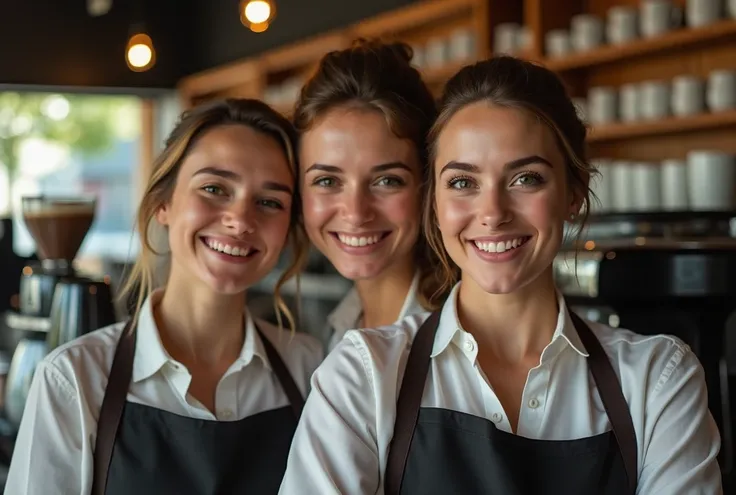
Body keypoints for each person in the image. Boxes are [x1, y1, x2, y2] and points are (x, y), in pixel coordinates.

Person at [279, 56, 723, 494]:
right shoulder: (363, 372)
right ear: (433, 200)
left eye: (526, 178)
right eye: (462, 182)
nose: (492, 213)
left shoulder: (658, 379)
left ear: (574, 192)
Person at [5, 98, 323, 495]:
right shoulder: (74, 379)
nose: (240, 220)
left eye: (269, 202)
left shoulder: (312, 370)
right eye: (214, 188)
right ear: (163, 203)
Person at [292, 39, 446, 351]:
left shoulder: (463, 337)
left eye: (387, 181)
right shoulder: (339, 328)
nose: (356, 213)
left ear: (426, 184)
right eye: (327, 181)